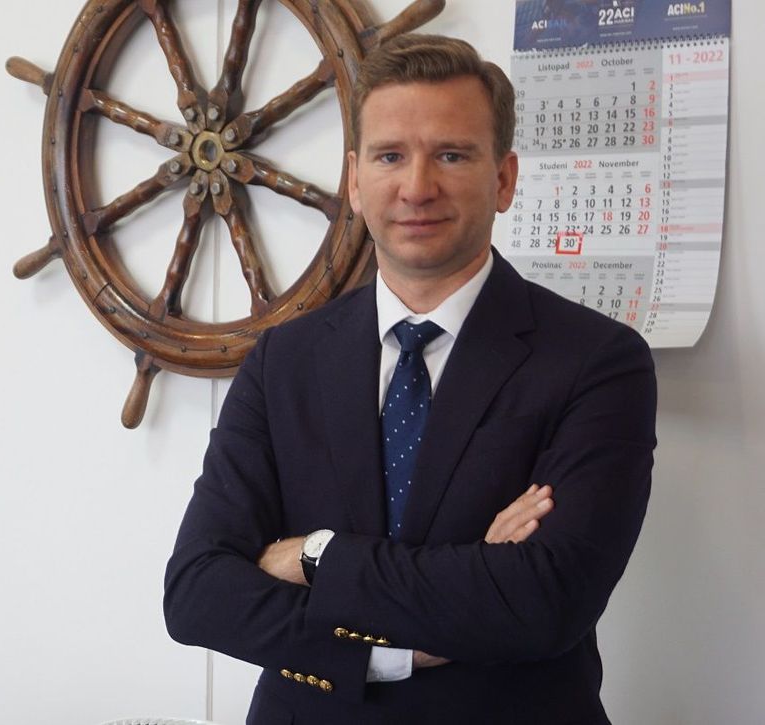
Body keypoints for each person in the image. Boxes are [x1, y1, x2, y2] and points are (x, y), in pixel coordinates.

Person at [164, 34, 656, 724]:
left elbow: (543, 603)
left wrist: (313, 555)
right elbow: (197, 593)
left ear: (504, 179)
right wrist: (399, 646)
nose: (417, 187)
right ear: (355, 180)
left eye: (452, 155)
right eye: (390, 155)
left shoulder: (598, 361)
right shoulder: (283, 360)